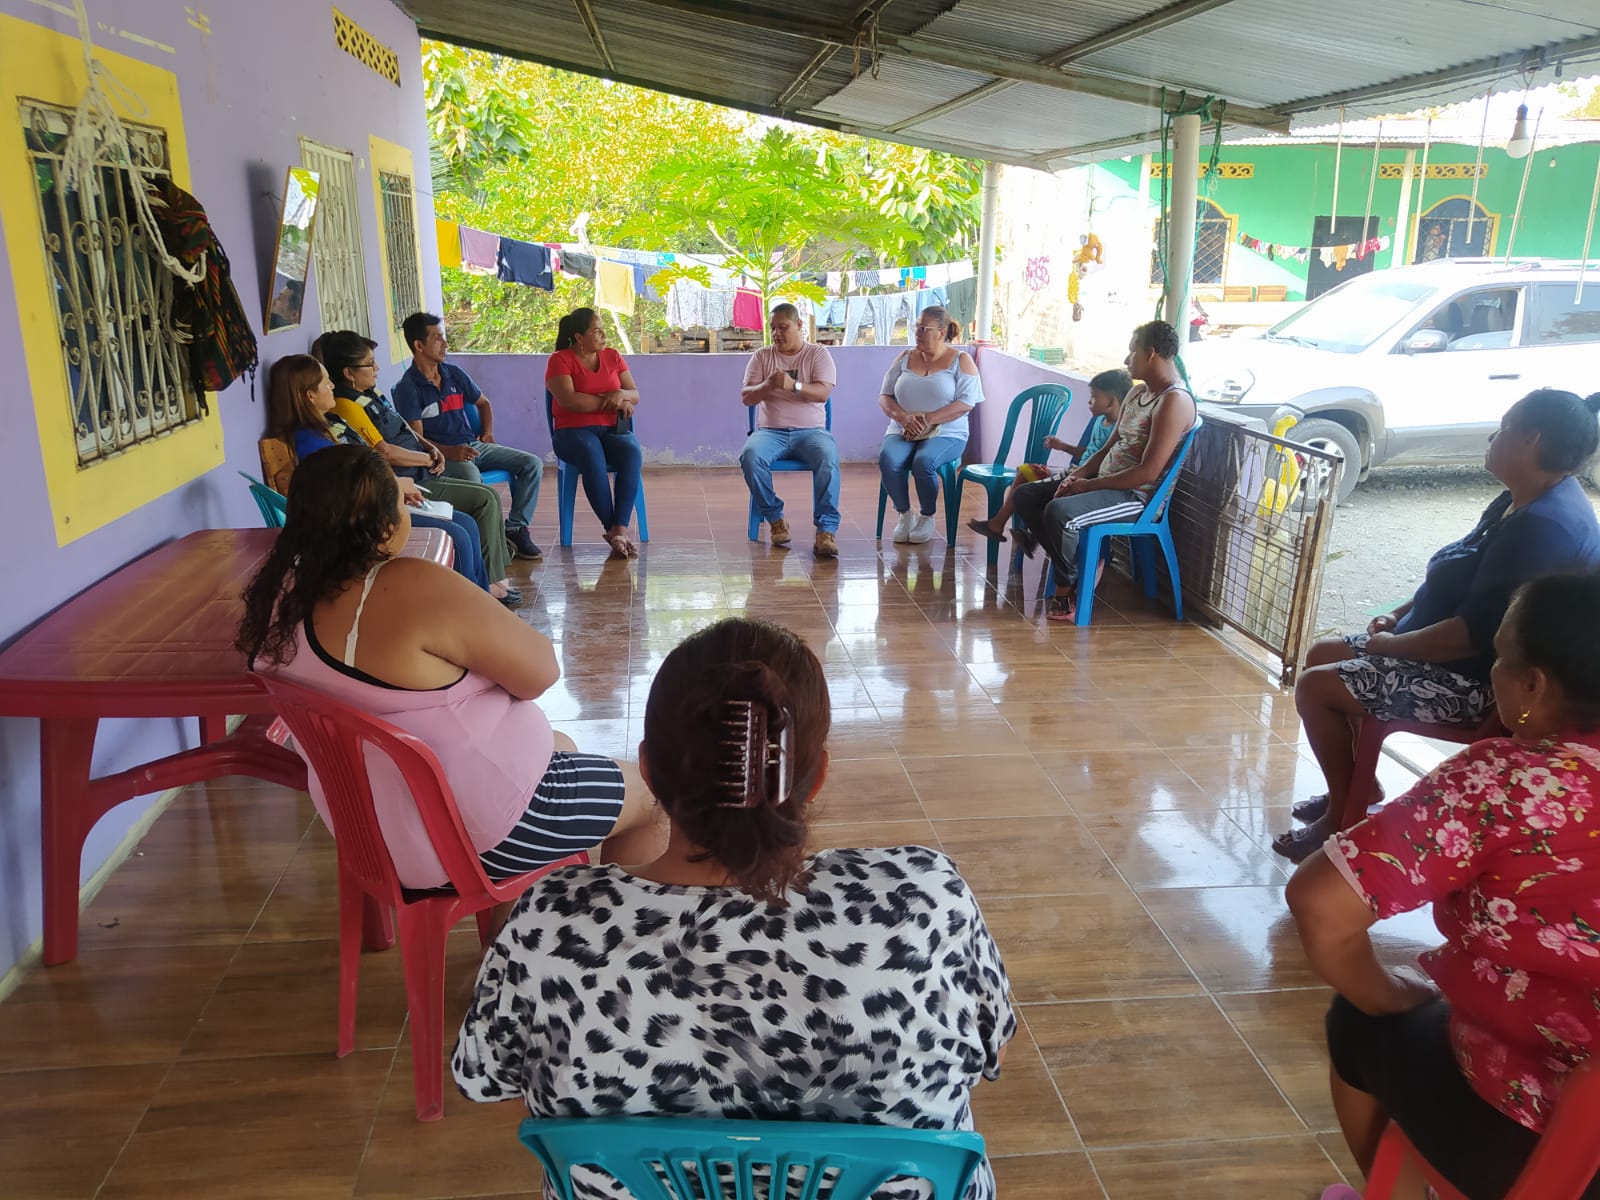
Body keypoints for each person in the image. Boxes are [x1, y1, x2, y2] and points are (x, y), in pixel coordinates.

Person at [453, 618, 1016, 1200]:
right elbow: (991, 1049)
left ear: (647, 769)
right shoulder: (922, 900)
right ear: (816, 776)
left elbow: (490, 1080)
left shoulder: (550, 926)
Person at [1287, 571, 1600, 1200]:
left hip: (1542, 1133)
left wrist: (1390, 996)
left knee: (1358, 1020)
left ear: (1533, 686)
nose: (1494, 671)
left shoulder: (1509, 781)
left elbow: (1320, 905)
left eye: (1501, 657)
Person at [236, 443, 662, 897]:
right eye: (400, 502)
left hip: (377, 831)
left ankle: (510, 927)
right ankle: (617, 925)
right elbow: (540, 673)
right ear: (385, 526)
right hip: (475, 835)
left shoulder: (279, 597)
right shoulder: (409, 585)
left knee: (564, 745)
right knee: (655, 795)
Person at [1276, 389, 1600, 863]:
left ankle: (1341, 816)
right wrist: (1398, 615)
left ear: (1531, 440)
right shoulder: (1520, 501)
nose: (1493, 438)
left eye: (1504, 429)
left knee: (1316, 686)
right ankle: (1358, 787)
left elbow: (1470, 636)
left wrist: (1391, 645)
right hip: (1440, 650)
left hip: (1478, 682)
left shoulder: (1544, 527)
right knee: (1322, 653)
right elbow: (1457, 569)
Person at [314, 330, 521, 606]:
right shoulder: (347, 406)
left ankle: (488, 583)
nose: (377, 368)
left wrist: (430, 448)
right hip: (407, 480)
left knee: (487, 498)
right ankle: (482, 590)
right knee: (481, 501)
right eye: (370, 364)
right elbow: (383, 451)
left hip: (421, 468)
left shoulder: (371, 394)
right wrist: (427, 459)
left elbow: (403, 426)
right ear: (349, 373)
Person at [1011, 321, 1196, 622]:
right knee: (1026, 496)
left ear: (1150, 353)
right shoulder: (1137, 393)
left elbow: (1148, 472)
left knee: (1059, 512)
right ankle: (1077, 568)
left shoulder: (1174, 401)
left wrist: (1086, 487)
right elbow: (1107, 448)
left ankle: (1066, 587)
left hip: (1136, 498)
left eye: (1132, 352)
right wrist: (1078, 476)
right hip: (1104, 485)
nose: (1126, 359)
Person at [264, 354, 494, 595]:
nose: (332, 385)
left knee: (467, 524)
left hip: (377, 500)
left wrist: (396, 486)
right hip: (360, 519)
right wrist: (395, 487)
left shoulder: (328, 423)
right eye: (325, 382)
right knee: (458, 534)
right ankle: (467, 604)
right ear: (310, 395)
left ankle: (482, 599)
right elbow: (349, 490)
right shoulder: (310, 443)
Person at [393, 312, 545, 563]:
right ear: (418, 345)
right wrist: (449, 452)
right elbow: (417, 439)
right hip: (442, 456)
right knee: (472, 477)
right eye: (437, 338)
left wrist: (487, 433)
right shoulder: (407, 388)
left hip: (473, 445)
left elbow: (483, 403)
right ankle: (489, 545)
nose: (445, 344)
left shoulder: (453, 374)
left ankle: (515, 528)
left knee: (532, 464)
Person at [966, 368, 1131, 544]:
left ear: (1111, 402)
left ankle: (1031, 535)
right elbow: (1089, 452)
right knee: (1025, 472)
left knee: (1036, 493)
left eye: (1095, 397)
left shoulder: (1118, 430)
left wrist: (1078, 475)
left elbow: (1103, 461)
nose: (1090, 401)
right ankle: (1002, 525)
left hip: (1084, 477)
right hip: (1076, 470)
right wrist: (1063, 446)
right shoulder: (1100, 421)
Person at [739, 302, 840, 558]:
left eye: (782, 327)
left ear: (799, 325)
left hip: (812, 432)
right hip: (770, 432)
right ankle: (775, 519)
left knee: (828, 458)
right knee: (750, 456)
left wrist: (793, 385)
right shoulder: (762, 356)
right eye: (773, 328)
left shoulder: (817, 354)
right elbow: (747, 398)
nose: (776, 334)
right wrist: (768, 385)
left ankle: (826, 531)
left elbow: (822, 393)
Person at [878, 306, 984, 545]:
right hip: (903, 429)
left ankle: (927, 516)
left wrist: (927, 420)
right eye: (917, 327)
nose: (917, 333)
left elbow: (966, 404)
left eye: (924, 329)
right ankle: (905, 514)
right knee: (888, 459)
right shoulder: (904, 358)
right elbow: (885, 396)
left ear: (941, 332)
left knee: (923, 462)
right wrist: (904, 418)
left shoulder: (961, 361)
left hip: (947, 432)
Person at [545, 308, 644, 558]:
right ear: (579, 337)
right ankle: (611, 528)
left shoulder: (613, 356)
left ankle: (619, 529)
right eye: (596, 331)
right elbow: (569, 401)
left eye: (603, 330)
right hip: (571, 432)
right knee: (591, 452)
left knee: (631, 451)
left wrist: (621, 395)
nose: (603, 336)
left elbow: (634, 393)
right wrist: (612, 399)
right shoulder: (560, 360)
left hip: (612, 429)